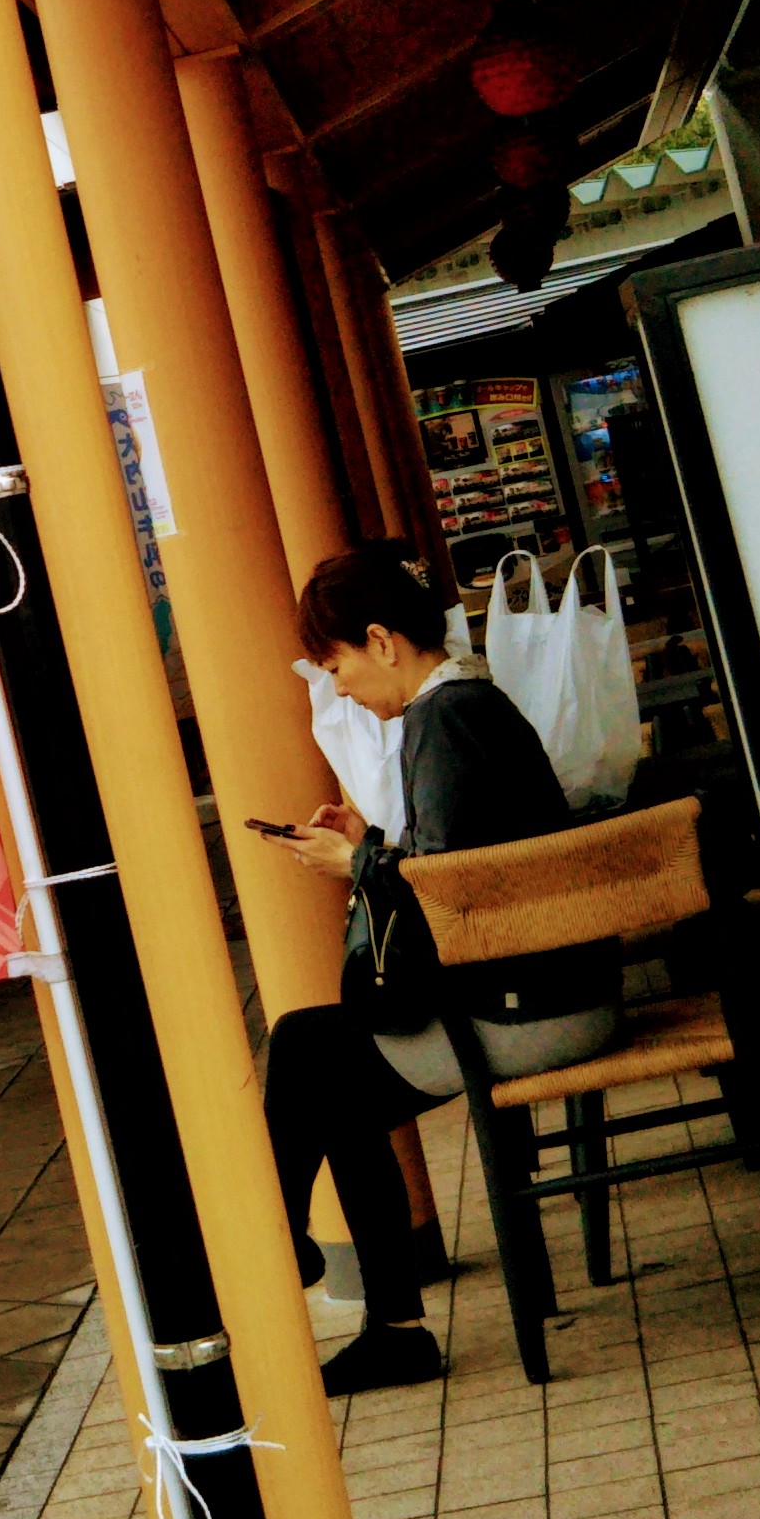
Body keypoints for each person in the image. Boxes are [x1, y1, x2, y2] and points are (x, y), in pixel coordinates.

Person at [262, 543, 619, 1391]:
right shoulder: (469, 704)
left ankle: (293, 1256)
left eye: (336, 666)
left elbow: (447, 888)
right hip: (559, 988)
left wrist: (355, 864)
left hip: (532, 1011)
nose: (340, 689)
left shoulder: (443, 719)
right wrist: (370, 844)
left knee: (310, 1053)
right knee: (321, 1062)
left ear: (382, 642)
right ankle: (346, 1291)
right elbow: (461, 861)